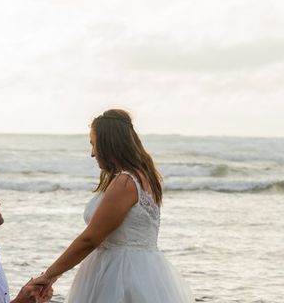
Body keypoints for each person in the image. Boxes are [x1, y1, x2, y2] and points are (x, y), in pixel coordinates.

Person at [32, 109, 194, 302]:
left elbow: (90, 239)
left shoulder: (125, 182)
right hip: (144, 270)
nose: (92, 153)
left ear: (108, 143)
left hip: (120, 273)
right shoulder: (145, 177)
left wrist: (49, 275)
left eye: (94, 144)